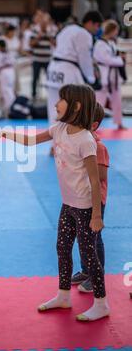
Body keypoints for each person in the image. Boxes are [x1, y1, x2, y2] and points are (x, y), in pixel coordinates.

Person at [0, 84, 109, 321]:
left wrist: (96, 215)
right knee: (62, 248)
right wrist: (5, 133)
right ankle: (64, 295)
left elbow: (95, 183)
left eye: (61, 100)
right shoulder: (59, 128)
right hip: (67, 204)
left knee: (89, 253)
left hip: (85, 207)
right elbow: (31, 141)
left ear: (75, 106)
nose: (55, 104)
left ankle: (101, 303)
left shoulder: (86, 140)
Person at [71, 102, 108, 292]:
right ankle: (86, 270)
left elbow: (100, 176)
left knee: (94, 238)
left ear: (93, 125)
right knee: (82, 236)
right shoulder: (80, 142)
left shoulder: (98, 148)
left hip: (95, 200)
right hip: (79, 198)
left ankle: (96, 275)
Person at [46, 10, 103, 126]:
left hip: (53, 68)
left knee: (54, 107)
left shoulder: (68, 28)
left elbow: (55, 44)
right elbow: (84, 57)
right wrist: (91, 78)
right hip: (68, 71)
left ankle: (55, 141)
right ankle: (69, 140)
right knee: (73, 108)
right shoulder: (84, 34)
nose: (97, 30)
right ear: (90, 22)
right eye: (97, 26)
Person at [93, 20, 127, 130]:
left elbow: (112, 58)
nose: (117, 32)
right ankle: (92, 125)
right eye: (116, 30)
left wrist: (119, 58)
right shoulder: (100, 43)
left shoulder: (111, 43)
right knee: (99, 102)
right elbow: (107, 60)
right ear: (112, 30)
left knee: (117, 99)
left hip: (114, 75)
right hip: (103, 74)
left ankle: (119, 122)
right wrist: (120, 59)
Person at [0, 39, 16, 117]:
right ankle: (11, 107)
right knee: (9, 90)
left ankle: (9, 109)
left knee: (5, 91)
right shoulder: (9, 53)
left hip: (4, 72)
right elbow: (13, 62)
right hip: (11, 72)